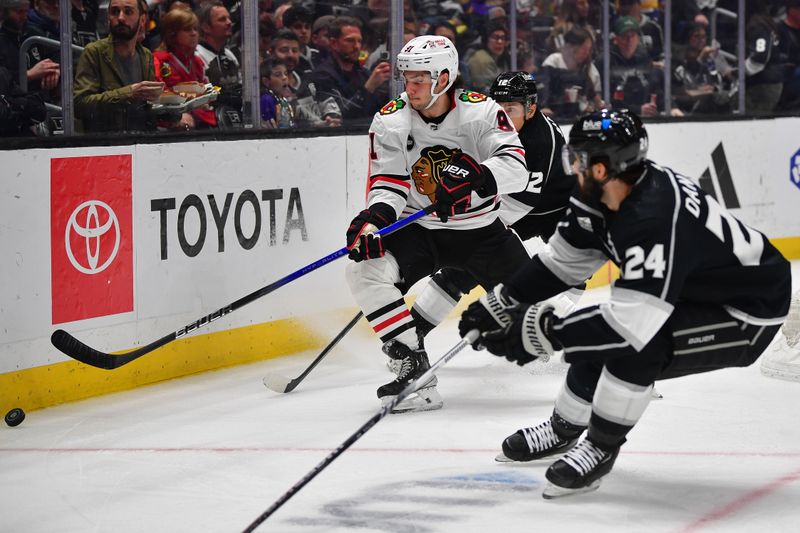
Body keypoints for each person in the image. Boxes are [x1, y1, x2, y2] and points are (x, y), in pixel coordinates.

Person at [458, 108, 792, 499]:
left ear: (604, 167)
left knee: (632, 347)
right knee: (595, 329)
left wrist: (540, 334)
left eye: (579, 159)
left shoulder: (651, 217)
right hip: (698, 289)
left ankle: (601, 447)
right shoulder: (597, 196)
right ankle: (564, 430)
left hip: (748, 310)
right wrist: (503, 299)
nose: (573, 167)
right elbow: (561, 263)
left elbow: (632, 327)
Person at [344, 35, 530, 413]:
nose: (409, 88)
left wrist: (477, 174)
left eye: (418, 80)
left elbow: (517, 169)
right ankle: (415, 373)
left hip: (482, 233)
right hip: (423, 231)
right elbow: (388, 183)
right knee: (363, 271)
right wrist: (373, 221)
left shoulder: (481, 112)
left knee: (541, 314)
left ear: (443, 78)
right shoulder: (390, 120)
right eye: (406, 79)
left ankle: (608, 370)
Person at [410, 71, 579, 340]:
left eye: (510, 109)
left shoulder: (540, 141)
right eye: (498, 107)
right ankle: (413, 333)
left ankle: (552, 331)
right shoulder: (488, 123)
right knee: (459, 270)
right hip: (511, 199)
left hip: (554, 209)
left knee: (571, 268)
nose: (503, 115)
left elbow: (522, 201)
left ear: (531, 109)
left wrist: (470, 226)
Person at [73, 0, 164, 133]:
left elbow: (149, 108)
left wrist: (173, 112)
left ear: (142, 19)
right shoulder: (94, 52)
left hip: (142, 142)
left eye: (128, 12)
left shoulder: (146, 55)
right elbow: (81, 105)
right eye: (115, 12)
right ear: (107, 18)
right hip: (107, 144)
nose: (120, 18)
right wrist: (128, 93)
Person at [313, 16, 390, 122]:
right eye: (350, 40)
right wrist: (369, 88)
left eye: (359, 41)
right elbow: (340, 117)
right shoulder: (323, 76)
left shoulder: (364, 74)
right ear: (334, 43)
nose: (357, 46)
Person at [153, 8, 216, 129]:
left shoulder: (197, 62)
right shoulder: (159, 60)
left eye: (195, 29)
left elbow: (207, 96)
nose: (194, 33)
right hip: (169, 124)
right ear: (172, 34)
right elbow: (158, 96)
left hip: (199, 119)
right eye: (187, 29)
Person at [537, 26, 603, 120]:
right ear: (571, 47)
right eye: (584, 49)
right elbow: (544, 88)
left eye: (589, 50)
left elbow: (596, 100)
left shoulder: (590, 70)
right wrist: (544, 107)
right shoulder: (554, 61)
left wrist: (598, 106)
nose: (587, 53)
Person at [196, 1, 241, 111]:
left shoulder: (230, 55)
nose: (229, 22)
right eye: (222, 19)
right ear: (206, 27)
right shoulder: (197, 55)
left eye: (229, 18)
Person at [467, 19, 510, 93]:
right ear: (486, 39)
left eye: (502, 38)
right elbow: (485, 92)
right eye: (495, 37)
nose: (499, 42)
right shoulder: (482, 58)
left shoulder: (500, 58)